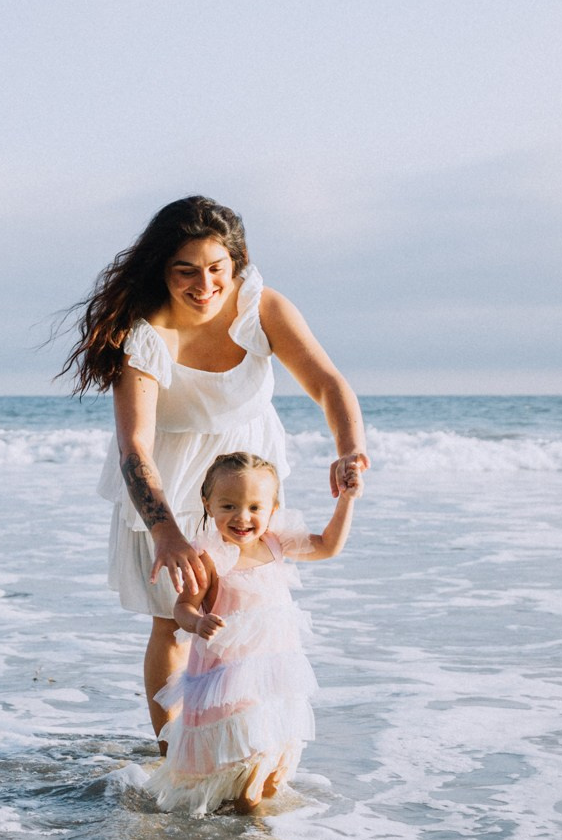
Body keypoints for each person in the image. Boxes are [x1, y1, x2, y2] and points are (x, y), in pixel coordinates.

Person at [62, 195, 368, 738]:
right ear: (162, 269)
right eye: (186, 271)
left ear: (237, 263)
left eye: (216, 269)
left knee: (251, 608)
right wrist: (166, 533)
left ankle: (246, 743)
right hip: (168, 475)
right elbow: (135, 447)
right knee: (174, 620)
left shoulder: (261, 307)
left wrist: (350, 449)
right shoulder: (145, 334)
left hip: (245, 469)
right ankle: (174, 755)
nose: (204, 286)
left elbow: (327, 383)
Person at [142, 449, 354, 815]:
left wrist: (347, 500)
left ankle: (245, 820)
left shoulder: (275, 542)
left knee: (271, 767)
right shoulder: (208, 557)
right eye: (229, 506)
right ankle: (248, 827)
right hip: (227, 680)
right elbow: (182, 608)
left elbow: (328, 545)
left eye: (255, 507)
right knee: (247, 763)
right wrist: (197, 623)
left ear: (273, 508)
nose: (242, 517)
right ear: (207, 504)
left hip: (273, 674)